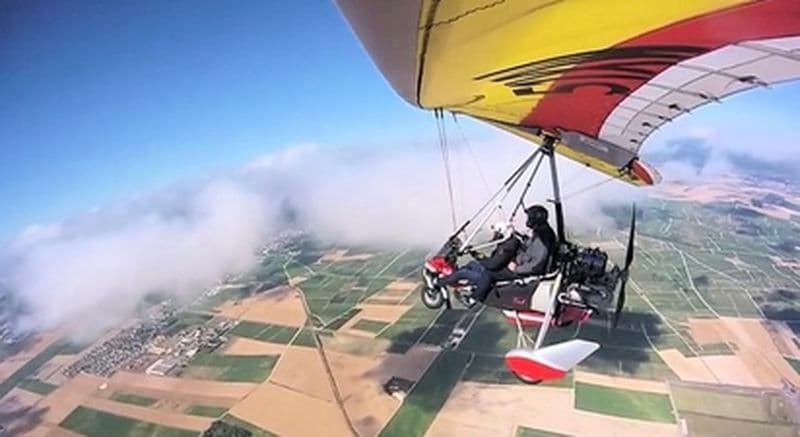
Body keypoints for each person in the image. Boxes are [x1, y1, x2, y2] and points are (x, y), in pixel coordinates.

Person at [435, 221, 520, 303]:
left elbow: (493, 264)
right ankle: (461, 282)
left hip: (491, 273)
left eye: (497, 233)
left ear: (503, 232)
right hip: (495, 268)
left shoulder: (508, 248)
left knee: (463, 273)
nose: (495, 235)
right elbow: (493, 260)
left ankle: (439, 282)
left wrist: (481, 260)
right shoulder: (504, 243)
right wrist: (475, 254)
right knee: (472, 264)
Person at [513, 205, 557, 276]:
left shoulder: (543, 236)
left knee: (490, 272)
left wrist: (516, 269)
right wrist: (521, 238)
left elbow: (536, 265)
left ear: (535, 218)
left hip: (527, 271)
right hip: (523, 264)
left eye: (529, 217)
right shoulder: (539, 231)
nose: (527, 219)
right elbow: (531, 247)